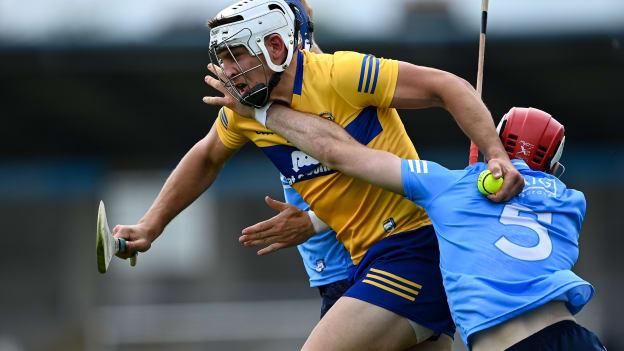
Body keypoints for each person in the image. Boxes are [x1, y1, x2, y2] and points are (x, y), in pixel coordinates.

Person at [118, 0, 523, 350]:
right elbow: (206, 157)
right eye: (221, 58)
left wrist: (494, 154)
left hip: (414, 248)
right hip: (365, 259)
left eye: (235, 56)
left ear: (274, 46)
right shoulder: (244, 111)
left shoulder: (341, 74)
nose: (226, 71)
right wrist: (150, 226)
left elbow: (446, 86)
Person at [244, 104, 605, 350]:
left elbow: (340, 154)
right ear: (553, 166)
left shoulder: (449, 186)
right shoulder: (570, 202)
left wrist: (263, 110)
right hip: (577, 339)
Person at [231, 0, 353, 320]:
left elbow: (386, 176)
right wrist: (150, 226)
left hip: (365, 264)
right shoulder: (255, 98)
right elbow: (204, 157)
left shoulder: (337, 81)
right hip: (333, 273)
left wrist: (313, 221)